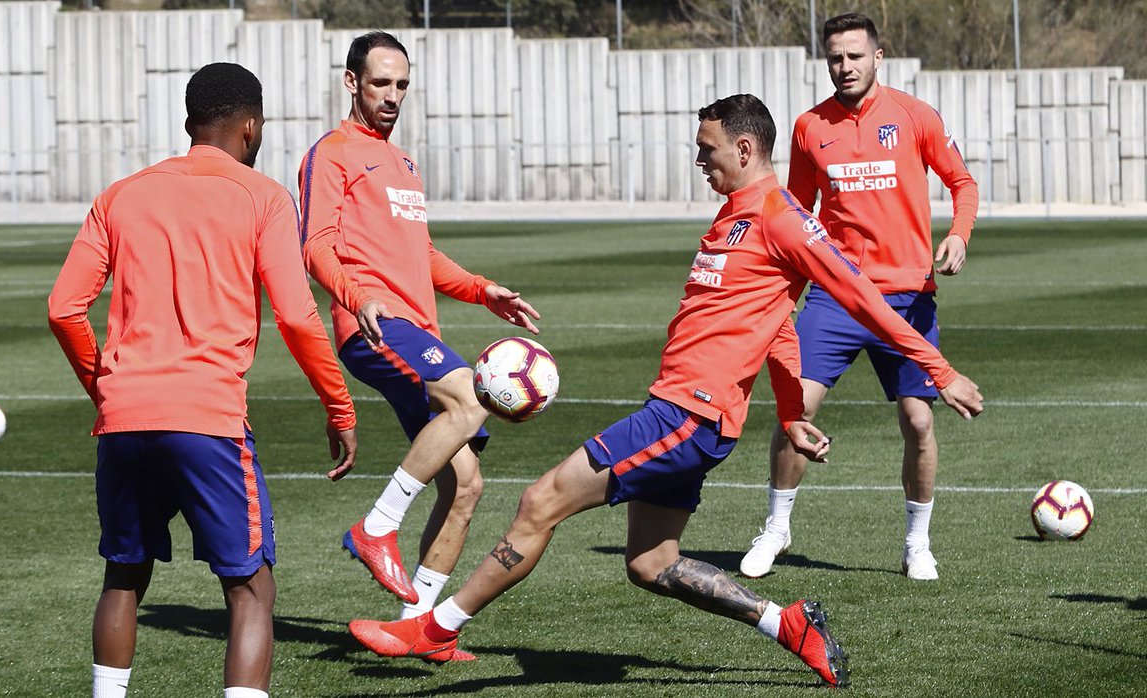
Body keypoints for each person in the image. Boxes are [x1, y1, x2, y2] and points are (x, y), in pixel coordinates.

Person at [347, 93, 984, 688]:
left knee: (541, 501)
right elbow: (778, 323)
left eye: (706, 150)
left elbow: (863, 298)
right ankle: (786, 623)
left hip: (686, 415)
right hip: (687, 412)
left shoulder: (782, 217)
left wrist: (940, 370)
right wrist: (791, 413)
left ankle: (433, 630)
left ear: (743, 150)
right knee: (652, 564)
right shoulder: (736, 212)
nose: (699, 160)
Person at [47, 63, 359, 698]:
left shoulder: (121, 193)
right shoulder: (263, 195)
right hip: (207, 420)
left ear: (190, 122)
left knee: (124, 574)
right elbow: (299, 319)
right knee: (250, 588)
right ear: (250, 125)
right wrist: (340, 409)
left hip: (125, 419)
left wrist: (105, 387)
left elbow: (63, 307)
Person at [297, 30, 540, 633]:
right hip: (375, 328)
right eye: (381, 82)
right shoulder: (331, 153)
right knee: (469, 396)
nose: (393, 95)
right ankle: (376, 526)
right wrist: (359, 298)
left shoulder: (403, 162)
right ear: (352, 82)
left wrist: (484, 291)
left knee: (466, 484)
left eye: (402, 85)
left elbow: (422, 255)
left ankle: (417, 622)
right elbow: (315, 246)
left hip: (414, 329)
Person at [739, 12, 981, 582]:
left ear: (878, 57)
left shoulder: (915, 117)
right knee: (795, 408)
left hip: (906, 297)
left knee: (919, 423)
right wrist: (780, 296)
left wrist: (958, 234)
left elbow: (962, 183)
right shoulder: (807, 127)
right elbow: (794, 215)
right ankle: (776, 528)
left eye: (854, 56)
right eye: (835, 58)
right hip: (834, 297)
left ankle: (917, 544)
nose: (844, 67)